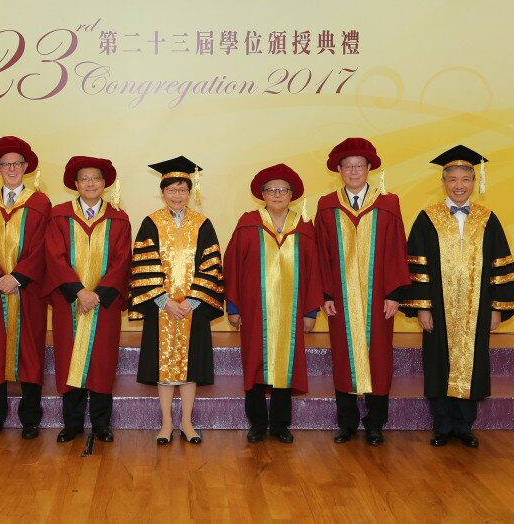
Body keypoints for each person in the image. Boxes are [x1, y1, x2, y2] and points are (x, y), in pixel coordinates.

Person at [402, 145, 514, 448]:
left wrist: (497, 308)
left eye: (465, 179)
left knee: (473, 362)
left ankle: (464, 426)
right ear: (443, 183)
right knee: (438, 362)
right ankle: (442, 425)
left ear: (474, 183)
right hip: (438, 307)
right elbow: (418, 267)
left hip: (478, 307)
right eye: (453, 179)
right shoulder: (427, 218)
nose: (459, 185)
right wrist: (422, 308)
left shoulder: (488, 218)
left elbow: (500, 264)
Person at [314, 138, 410, 446]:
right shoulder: (327, 205)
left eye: (359, 166)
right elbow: (322, 254)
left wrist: (394, 293)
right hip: (340, 299)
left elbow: (397, 250)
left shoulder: (388, 204)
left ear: (369, 168)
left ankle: (375, 423)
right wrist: (326, 296)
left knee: (378, 358)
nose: (354, 171)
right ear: (339, 170)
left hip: (378, 299)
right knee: (343, 357)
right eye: (348, 166)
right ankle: (346, 423)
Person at [224, 164, 323, 444]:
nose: (277, 194)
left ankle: (280, 424)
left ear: (292, 194)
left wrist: (309, 311)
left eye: (283, 189)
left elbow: (313, 271)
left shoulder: (303, 226)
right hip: (255, 311)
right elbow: (232, 266)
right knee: (254, 363)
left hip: (291, 313)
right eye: (271, 189)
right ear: (262, 194)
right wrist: (234, 307)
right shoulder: (247, 224)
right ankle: (257, 423)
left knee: (286, 365)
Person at [130, 156, 224, 445]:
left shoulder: (202, 223)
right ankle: (166, 423)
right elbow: (143, 265)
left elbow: (212, 265)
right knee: (163, 369)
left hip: (192, 309)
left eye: (183, 189)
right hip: (162, 308)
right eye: (171, 190)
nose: (177, 195)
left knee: (190, 368)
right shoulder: (151, 222)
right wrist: (163, 301)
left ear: (190, 192)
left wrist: (192, 301)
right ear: (163, 192)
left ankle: (186, 422)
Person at [42, 156, 131, 444]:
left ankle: (101, 424)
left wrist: (99, 295)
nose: (90, 183)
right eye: (84, 178)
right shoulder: (59, 215)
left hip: (104, 304)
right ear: (75, 184)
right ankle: (72, 424)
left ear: (105, 184)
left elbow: (122, 261)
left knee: (102, 361)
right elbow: (54, 258)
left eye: (96, 178)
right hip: (70, 302)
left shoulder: (119, 218)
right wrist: (80, 292)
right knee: (71, 359)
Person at [0, 136, 51, 440]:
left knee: (30, 350)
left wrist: (17, 276)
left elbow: (44, 245)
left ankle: (30, 417)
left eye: (17, 163)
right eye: (6, 163)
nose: (12, 168)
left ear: (26, 167)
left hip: (27, 290)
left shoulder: (41, 203)